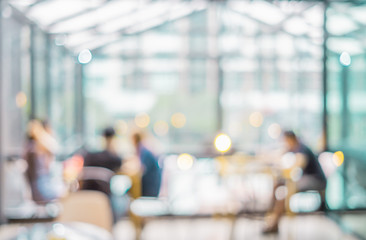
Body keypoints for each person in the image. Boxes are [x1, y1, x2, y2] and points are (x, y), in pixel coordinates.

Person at [263, 130, 326, 234]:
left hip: (315, 179)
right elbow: (278, 154)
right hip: (305, 178)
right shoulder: (293, 148)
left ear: (291, 139)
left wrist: (282, 167)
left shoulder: (302, 148)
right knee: (278, 184)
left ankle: (275, 222)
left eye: (286, 141)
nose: (285, 144)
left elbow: (297, 165)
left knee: (284, 192)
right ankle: (271, 216)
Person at [24, 119, 60, 203]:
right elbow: (54, 148)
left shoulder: (33, 147)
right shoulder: (33, 148)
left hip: (43, 183)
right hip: (41, 186)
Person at [81, 127, 122, 195]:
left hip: (85, 195)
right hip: (105, 196)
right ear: (113, 138)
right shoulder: (112, 158)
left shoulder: (89, 155)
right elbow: (120, 166)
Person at [131, 132, 161, 197]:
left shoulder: (144, 151)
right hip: (150, 183)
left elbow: (142, 169)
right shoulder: (141, 150)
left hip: (150, 186)